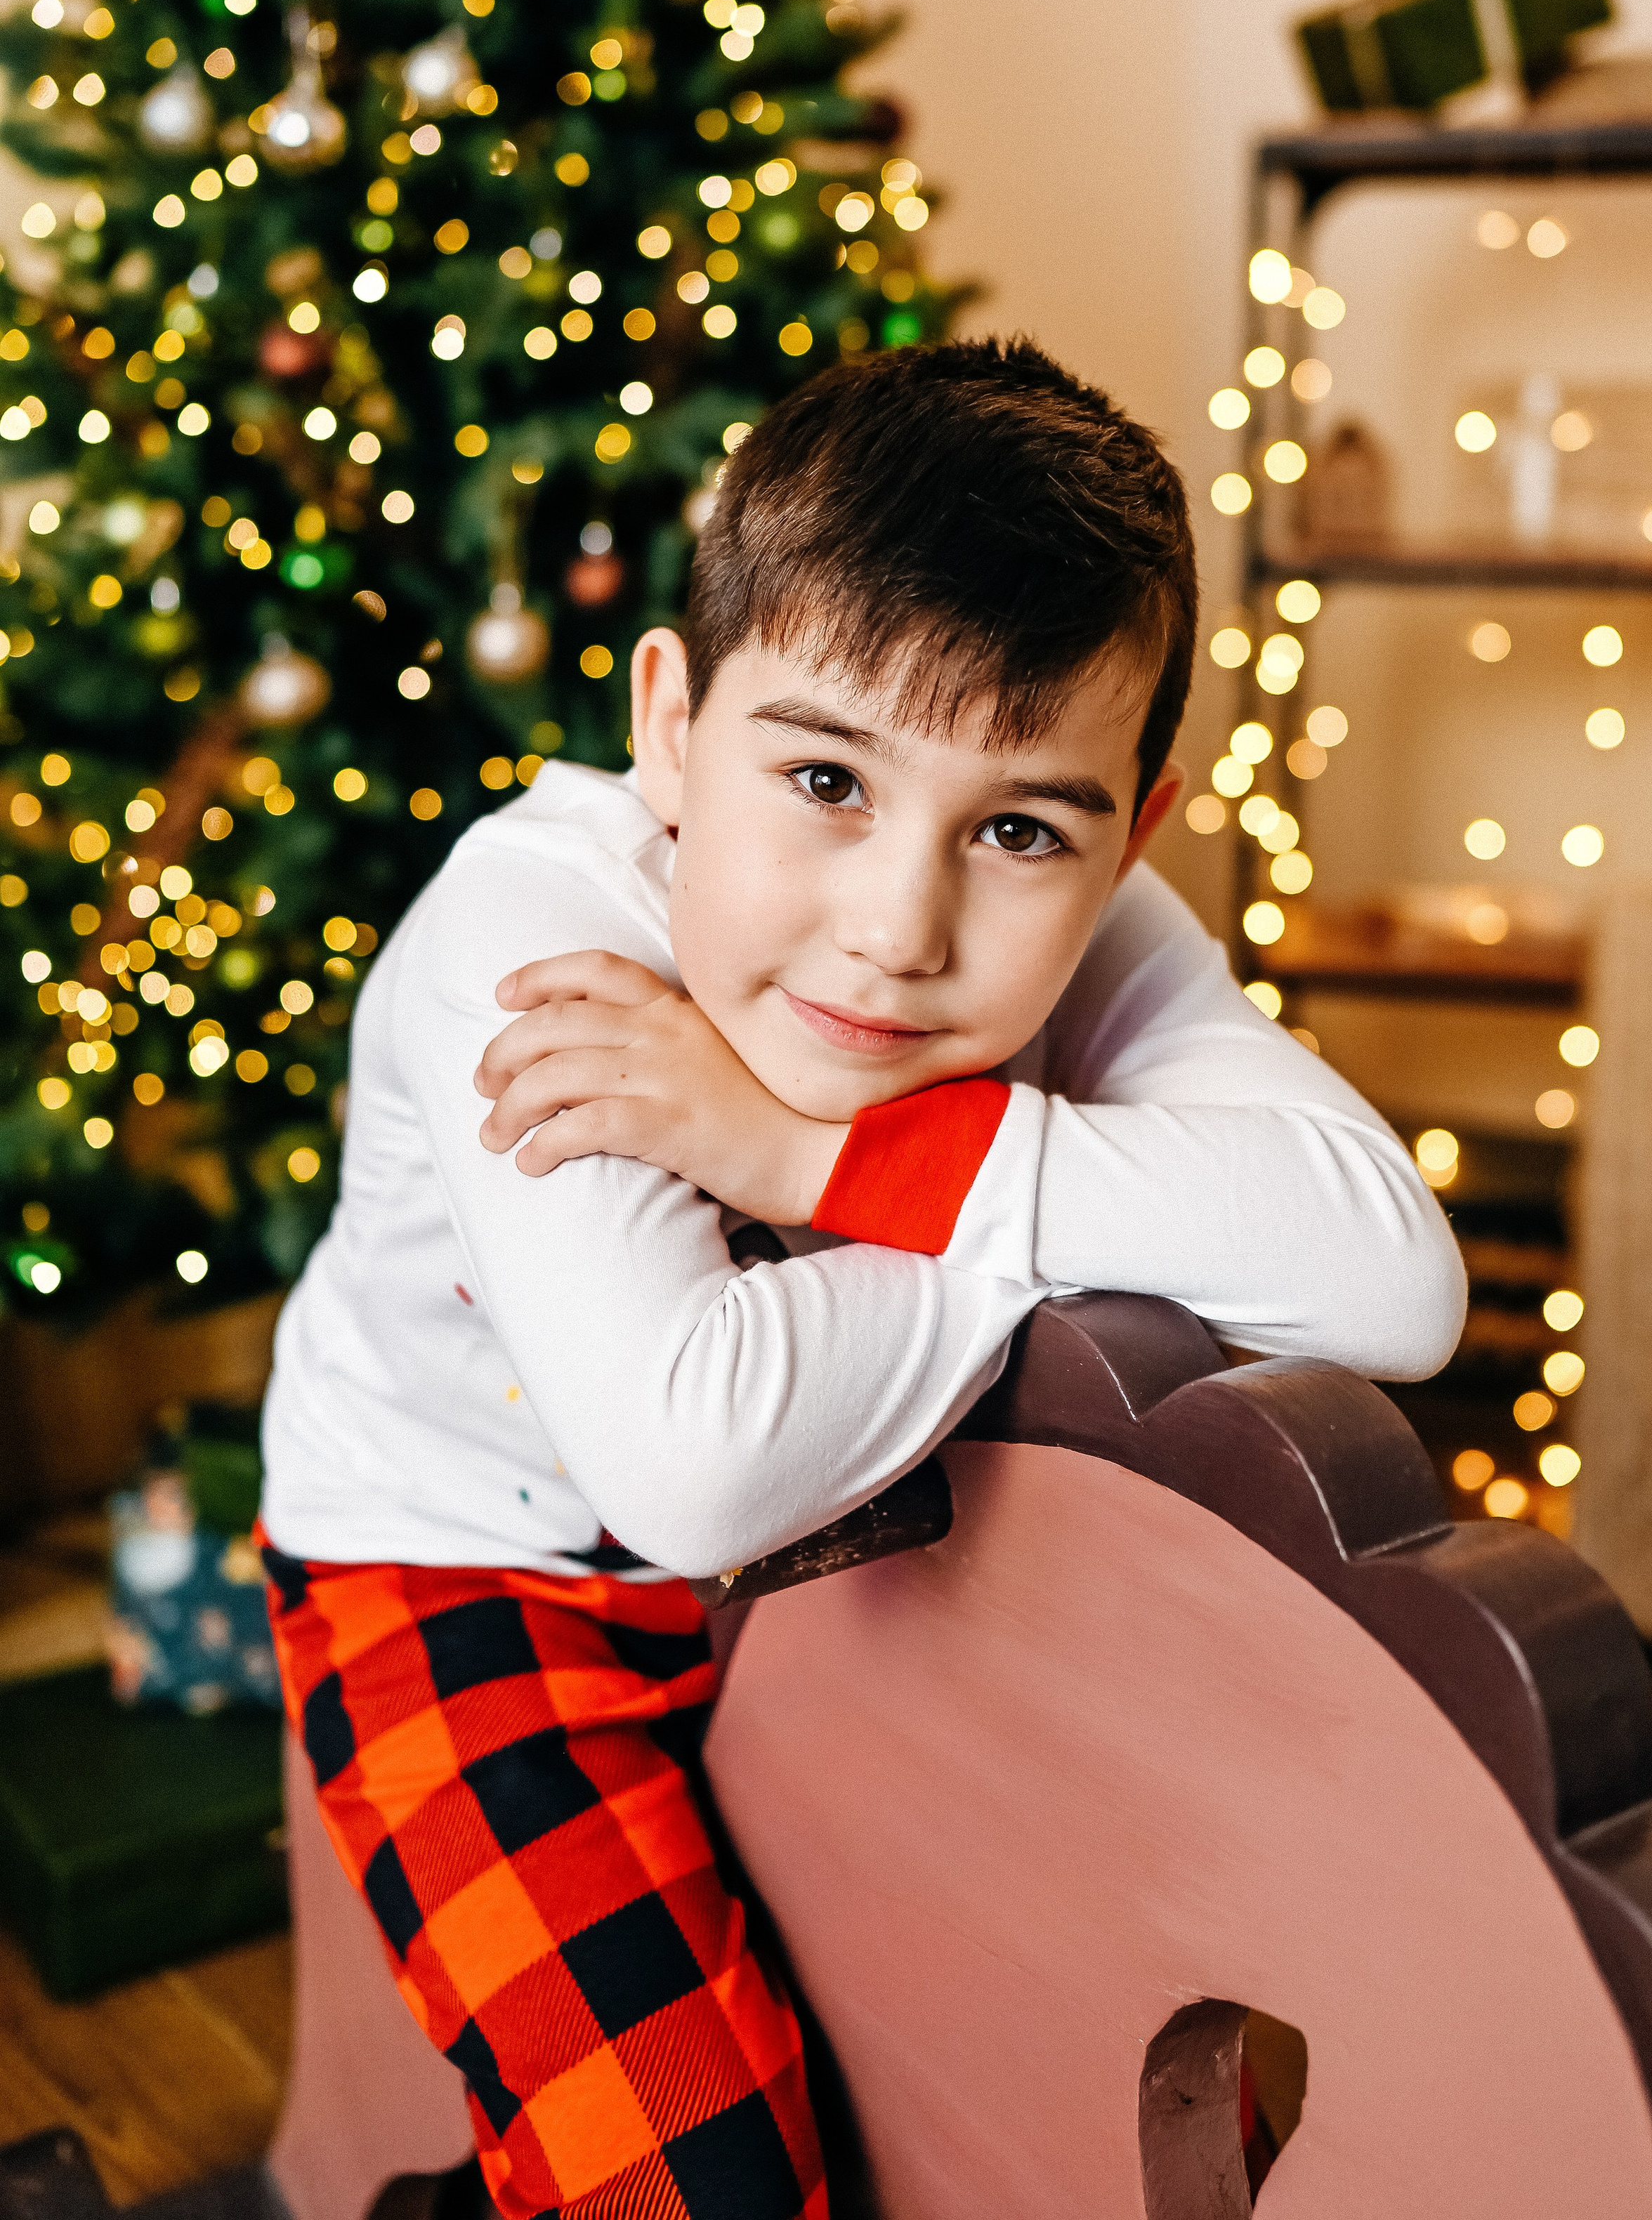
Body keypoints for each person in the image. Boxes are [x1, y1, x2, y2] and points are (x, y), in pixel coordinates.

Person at [259, 337, 1464, 2220]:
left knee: (1067, 2042)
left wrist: (825, 1160)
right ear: (670, 726)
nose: (899, 931)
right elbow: (693, 1464)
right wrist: (1052, 1205)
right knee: (697, 2180)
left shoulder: (1104, 925)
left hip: (874, 1537)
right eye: (825, 775)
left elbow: (1390, 1280)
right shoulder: (528, 939)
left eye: (1017, 830)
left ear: (1133, 834)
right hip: (471, 1565)